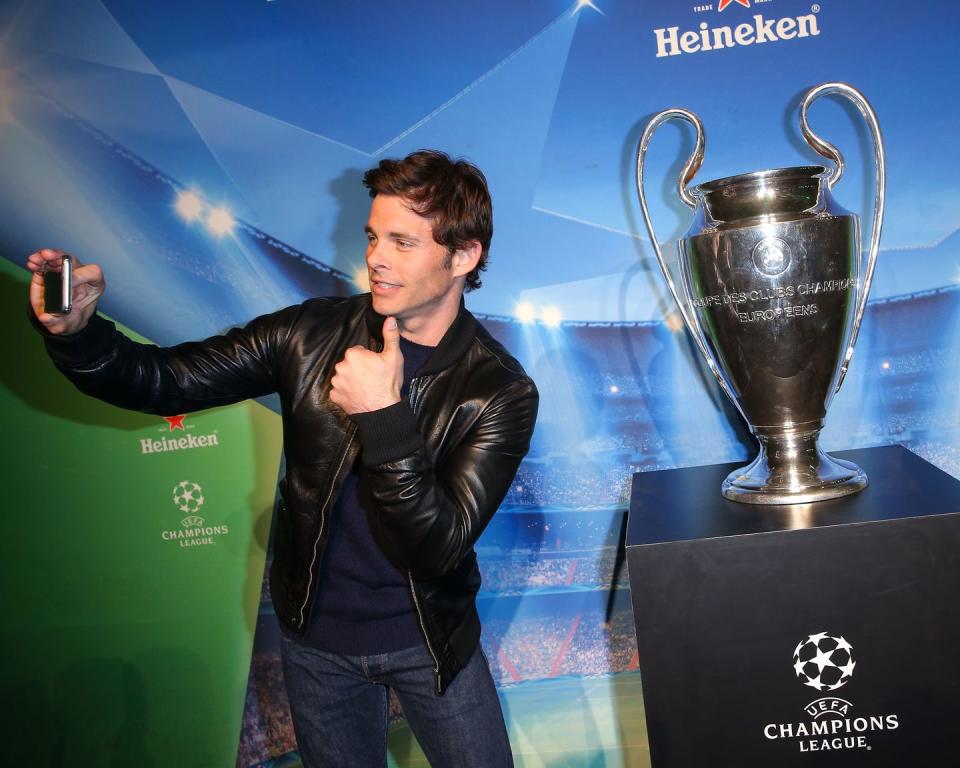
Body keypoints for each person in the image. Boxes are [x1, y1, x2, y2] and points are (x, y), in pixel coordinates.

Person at [27, 149, 538, 767]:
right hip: (316, 644)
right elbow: (164, 380)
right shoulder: (308, 333)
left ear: (463, 256)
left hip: (430, 642)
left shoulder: (500, 390)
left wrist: (384, 419)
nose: (375, 257)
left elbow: (435, 549)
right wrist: (79, 333)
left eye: (403, 243)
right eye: (373, 236)